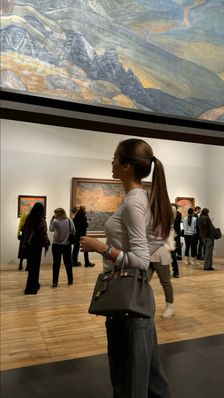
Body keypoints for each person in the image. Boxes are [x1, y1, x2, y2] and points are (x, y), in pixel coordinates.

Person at [80, 138, 172, 398]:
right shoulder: (139, 199)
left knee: (129, 381)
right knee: (152, 381)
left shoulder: (134, 203)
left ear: (127, 166)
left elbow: (142, 260)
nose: (111, 162)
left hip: (128, 306)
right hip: (134, 302)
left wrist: (101, 248)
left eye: (115, 157)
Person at [22, 203, 50, 295]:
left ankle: (34, 285)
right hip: (37, 246)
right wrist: (46, 243)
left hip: (29, 245)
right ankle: (31, 288)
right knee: (35, 267)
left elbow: (24, 230)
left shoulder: (29, 218)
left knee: (31, 267)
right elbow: (43, 233)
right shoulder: (41, 219)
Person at [49, 208, 75, 287]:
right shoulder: (69, 220)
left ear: (58, 214)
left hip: (56, 245)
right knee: (68, 264)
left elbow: (51, 229)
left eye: (55, 213)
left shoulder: (55, 221)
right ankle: (70, 280)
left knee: (56, 264)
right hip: (67, 245)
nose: (55, 215)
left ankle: (55, 282)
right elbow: (73, 230)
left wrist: (52, 220)